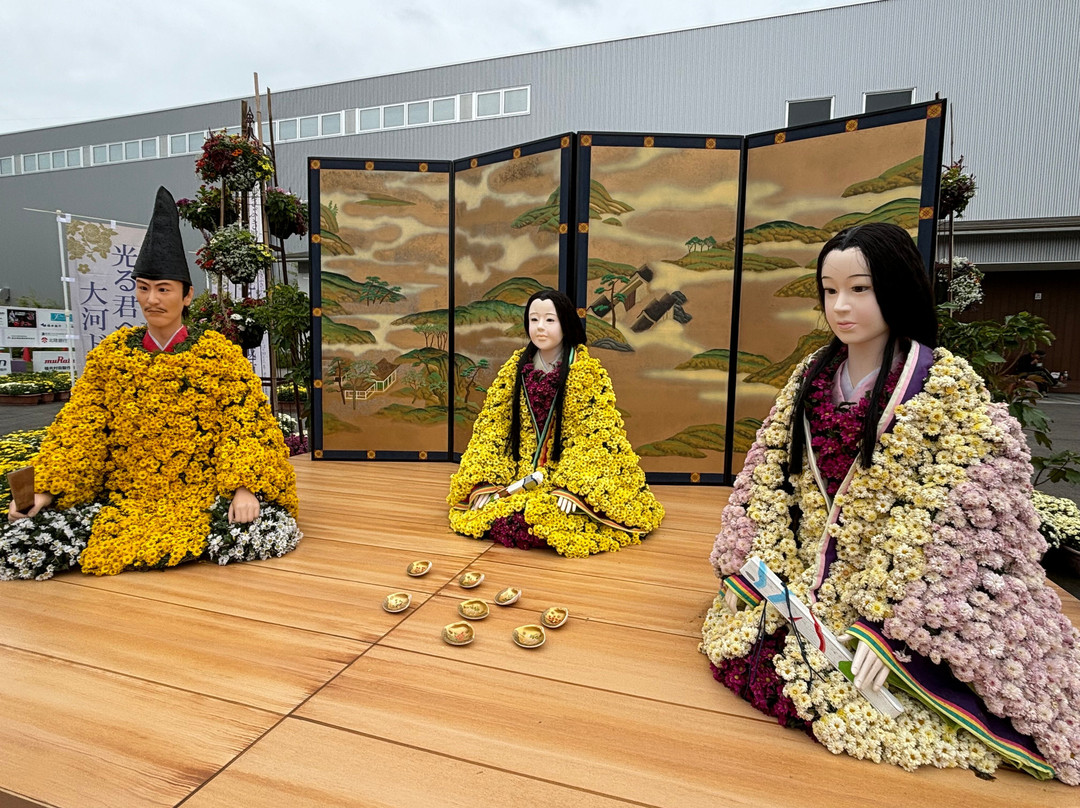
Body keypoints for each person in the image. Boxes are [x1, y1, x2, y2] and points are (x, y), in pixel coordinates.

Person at [700, 222, 1080, 784]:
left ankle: (896, 635)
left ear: (897, 287)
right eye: (829, 291)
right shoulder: (812, 375)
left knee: (877, 684)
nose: (841, 306)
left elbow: (966, 509)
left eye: (860, 288)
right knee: (764, 649)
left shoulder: (945, 385)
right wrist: (750, 566)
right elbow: (768, 476)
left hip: (905, 578)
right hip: (813, 569)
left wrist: (887, 621)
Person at [2, 187, 300, 580]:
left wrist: (244, 486)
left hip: (202, 489)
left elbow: (244, 425)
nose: (152, 300)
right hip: (125, 493)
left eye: (163, 290)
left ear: (187, 296)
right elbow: (82, 425)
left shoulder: (219, 354)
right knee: (26, 540)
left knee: (258, 531)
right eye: (143, 288)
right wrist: (47, 488)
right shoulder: (112, 356)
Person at [448, 288, 664, 557]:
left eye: (550, 320)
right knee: (495, 512)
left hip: (568, 469)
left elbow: (592, 435)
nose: (540, 328)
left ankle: (569, 494)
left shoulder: (586, 372)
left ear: (566, 323)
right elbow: (493, 428)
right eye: (533, 319)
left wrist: (574, 486)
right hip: (520, 472)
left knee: (563, 517)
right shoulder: (515, 368)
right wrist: (484, 480)